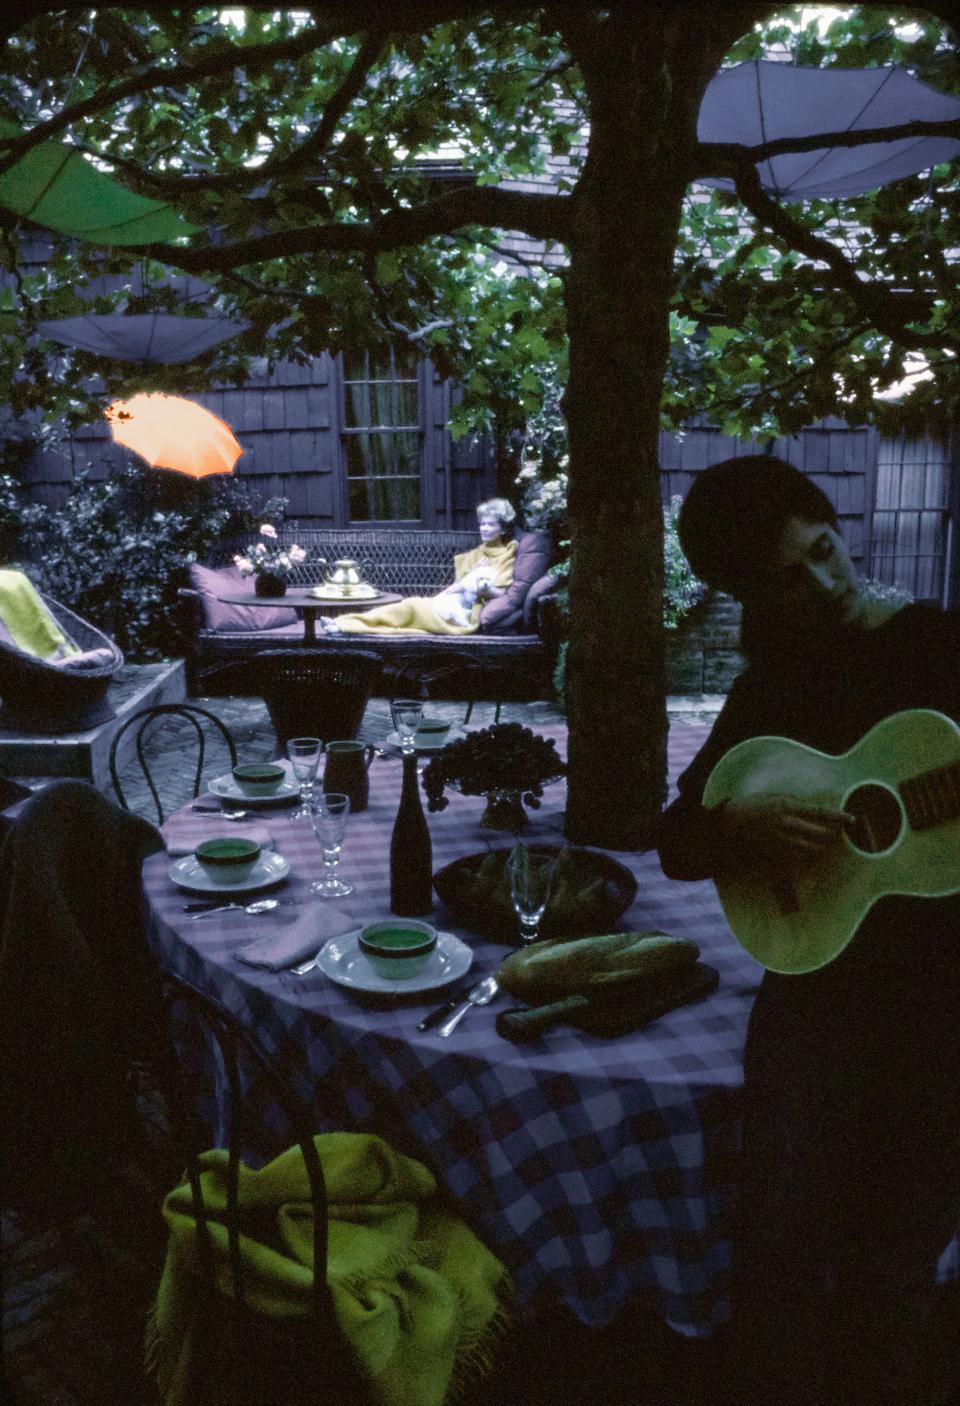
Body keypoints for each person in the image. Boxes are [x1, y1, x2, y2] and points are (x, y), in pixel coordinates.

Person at [655, 455, 960, 1406]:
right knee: (779, 1249)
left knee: (896, 1261)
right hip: (818, 987)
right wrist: (731, 826)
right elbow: (675, 842)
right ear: (751, 596)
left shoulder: (942, 646)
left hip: (942, 1000)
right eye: (787, 579)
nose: (823, 585)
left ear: (836, 528)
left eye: (823, 551)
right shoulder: (771, 692)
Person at [319, 499, 518, 636]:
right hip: (450, 603)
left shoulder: (506, 554)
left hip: (466, 614)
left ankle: (345, 625)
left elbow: (502, 593)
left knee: (411, 606)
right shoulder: (475, 554)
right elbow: (457, 586)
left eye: (491, 525)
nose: (484, 528)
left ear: (503, 528)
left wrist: (479, 584)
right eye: (482, 524)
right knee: (407, 609)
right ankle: (345, 624)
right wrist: (442, 596)